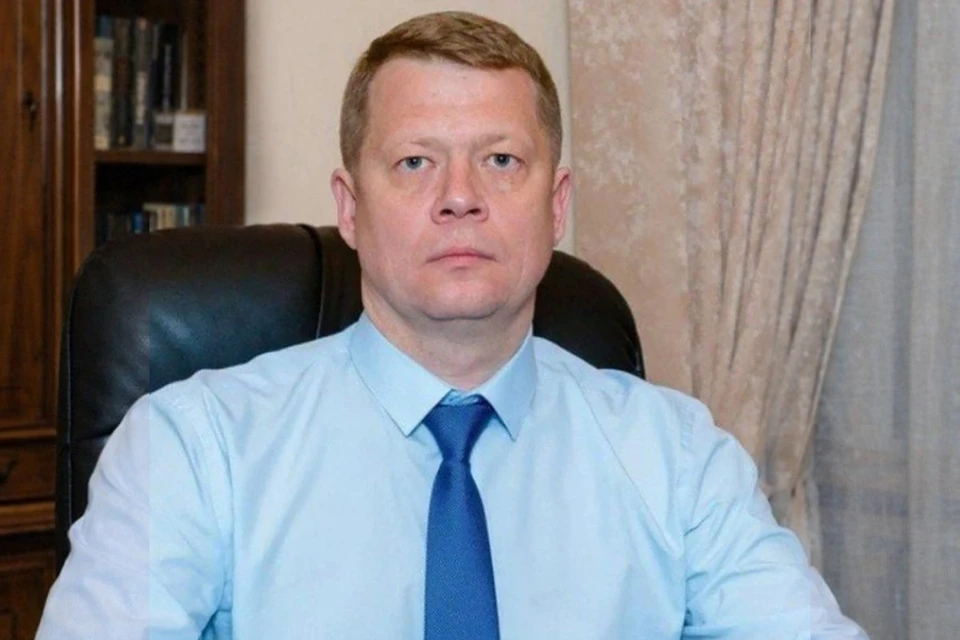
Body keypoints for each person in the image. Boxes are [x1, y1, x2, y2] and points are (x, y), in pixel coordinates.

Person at [36, 10, 868, 640]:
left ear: (557, 205)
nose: (460, 196)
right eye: (415, 162)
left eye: (501, 160)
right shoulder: (195, 447)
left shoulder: (678, 458)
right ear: (350, 208)